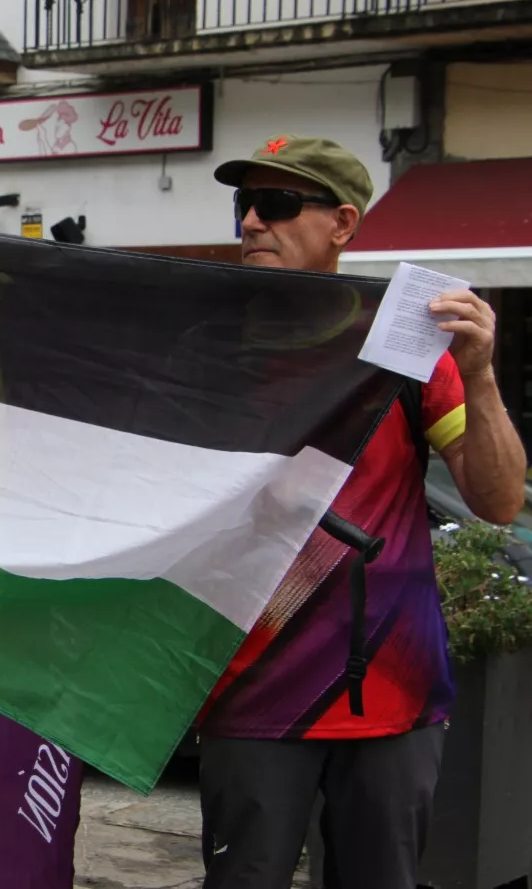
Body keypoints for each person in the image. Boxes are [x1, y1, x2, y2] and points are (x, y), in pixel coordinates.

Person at [198, 135, 526, 889]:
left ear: (343, 224)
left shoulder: (407, 344)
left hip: (392, 692)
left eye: (277, 203)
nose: (250, 221)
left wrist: (479, 376)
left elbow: (499, 500)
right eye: (244, 203)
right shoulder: (211, 346)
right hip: (250, 686)